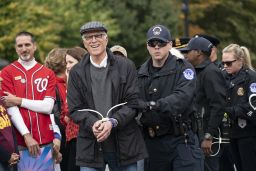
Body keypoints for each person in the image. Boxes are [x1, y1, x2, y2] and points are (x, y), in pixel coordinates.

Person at [67, 21, 148, 171]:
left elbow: (133, 103)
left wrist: (113, 122)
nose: (93, 40)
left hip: (125, 145)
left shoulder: (126, 66)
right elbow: (75, 109)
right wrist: (93, 123)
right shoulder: (76, 72)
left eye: (98, 36)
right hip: (90, 147)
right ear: (84, 43)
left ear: (106, 39)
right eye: (88, 37)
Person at [137, 24, 203, 171]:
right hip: (153, 143)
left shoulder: (184, 68)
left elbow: (182, 98)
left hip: (180, 141)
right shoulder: (141, 73)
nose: (157, 47)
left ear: (170, 45)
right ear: (147, 46)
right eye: (152, 44)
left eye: (161, 43)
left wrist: (153, 105)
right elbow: (134, 102)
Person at [1, 31, 57, 170]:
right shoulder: (6, 72)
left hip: (45, 140)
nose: (24, 49)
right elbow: (10, 107)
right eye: (20, 45)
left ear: (35, 46)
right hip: (20, 141)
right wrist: (26, 135)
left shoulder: (47, 73)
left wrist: (19, 101)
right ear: (16, 48)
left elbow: (48, 107)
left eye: (27, 44)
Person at [183, 37, 227, 171]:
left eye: (188, 51)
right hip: (198, 132)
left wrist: (209, 135)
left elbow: (218, 105)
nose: (186, 54)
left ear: (198, 52)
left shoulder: (211, 72)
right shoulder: (199, 71)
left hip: (206, 135)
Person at [222, 44, 256, 171]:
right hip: (230, 132)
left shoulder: (251, 78)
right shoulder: (223, 77)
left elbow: (253, 105)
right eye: (223, 62)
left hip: (248, 133)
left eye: (229, 63)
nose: (225, 66)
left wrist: (230, 111)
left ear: (240, 61)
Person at [61, 47, 87, 171]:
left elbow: (69, 109)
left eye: (71, 62)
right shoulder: (72, 81)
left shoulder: (84, 82)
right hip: (72, 137)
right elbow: (64, 115)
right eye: (66, 63)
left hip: (82, 138)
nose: (67, 66)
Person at [0, 71, 19, 171]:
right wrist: (7, 156)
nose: (1, 79)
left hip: (10, 159)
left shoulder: (1, 101)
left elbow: (9, 130)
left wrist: (15, 152)